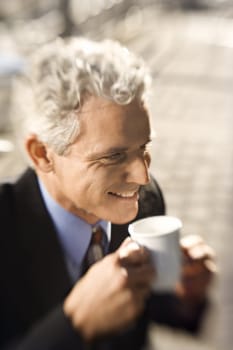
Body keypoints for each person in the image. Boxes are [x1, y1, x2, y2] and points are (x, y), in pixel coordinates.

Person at [0, 37, 216, 350]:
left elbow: (145, 309)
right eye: (113, 157)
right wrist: (75, 323)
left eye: (143, 147)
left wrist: (185, 296)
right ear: (42, 154)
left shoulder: (146, 200)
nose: (143, 176)